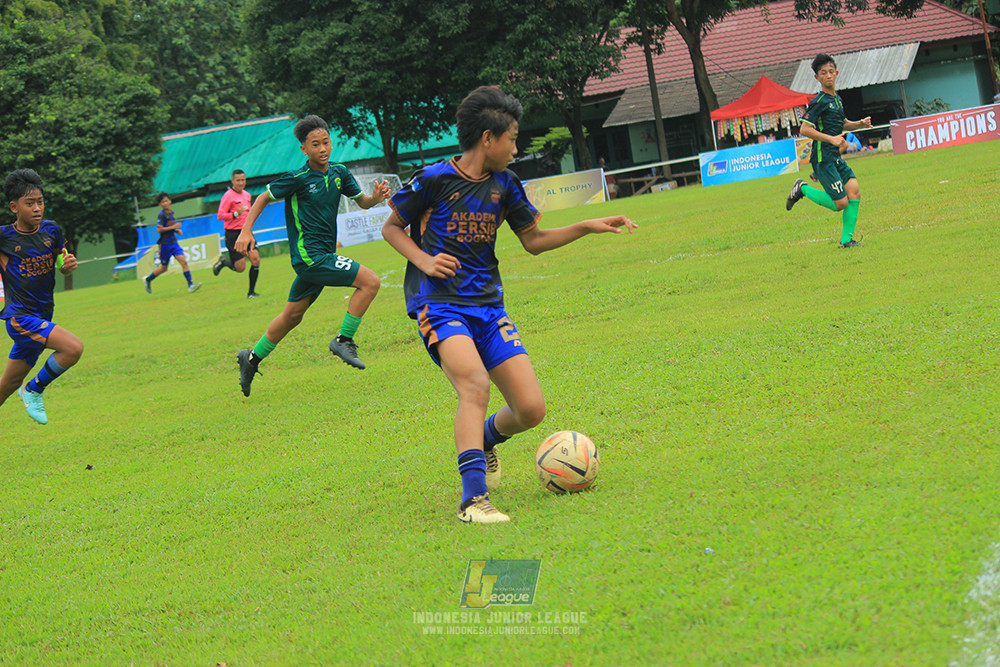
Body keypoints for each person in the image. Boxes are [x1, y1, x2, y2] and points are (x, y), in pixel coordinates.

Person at [382, 86, 637, 524]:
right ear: (487, 139)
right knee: (475, 386)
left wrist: (586, 226)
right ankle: (472, 500)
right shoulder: (434, 178)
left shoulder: (505, 184)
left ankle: (483, 442)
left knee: (531, 409)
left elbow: (533, 240)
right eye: (512, 139)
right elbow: (392, 227)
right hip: (439, 304)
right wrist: (424, 259)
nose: (516, 148)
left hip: (488, 307)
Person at [234, 115, 390, 396]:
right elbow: (261, 198)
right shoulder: (298, 178)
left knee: (292, 315)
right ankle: (343, 340)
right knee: (370, 282)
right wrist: (246, 231)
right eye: (315, 144)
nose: (323, 149)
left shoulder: (340, 173)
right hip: (310, 257)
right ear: (304, 149)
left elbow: (362, 202)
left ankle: (251, 358)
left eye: (326, 142)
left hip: (322, 256)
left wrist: (375, 198)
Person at [0, 169, 83, 425]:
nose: (37, 208)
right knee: (73, 348)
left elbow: (61, 255)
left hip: (43, 315)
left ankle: (22, 388)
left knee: (7, 385)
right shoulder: (3, 237)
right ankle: (33, 389)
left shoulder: (52, 230)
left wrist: (65, 263)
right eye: (30, 203)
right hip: (20, 319)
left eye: (40, 201)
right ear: (14, 207)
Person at [785, 53, 873, 248]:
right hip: (823, 157)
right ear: (817, 77)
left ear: (837, 73)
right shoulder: (819, 101)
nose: (828, 76)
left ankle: (846, 241)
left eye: (831, 72)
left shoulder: (838, 99)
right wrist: (831, 138)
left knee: (855, 193)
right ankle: (802, 188)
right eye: (823, 73)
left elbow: (842, 123)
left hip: (835, 157)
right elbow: (805, 129)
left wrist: (859, 123)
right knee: (840, 203)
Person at [212, 169, 262, 298]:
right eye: (238, 180)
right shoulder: (228, 196)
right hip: (233, 234)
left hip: (246, 232)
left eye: (243, 180)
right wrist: (235, 214)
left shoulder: (247, 195)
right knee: (240, 268)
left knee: (255, 259)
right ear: (233, 181)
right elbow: (220, 215)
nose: (241, 182)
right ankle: (224, 262)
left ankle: (251, 292)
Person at [143, 192, 202, 293]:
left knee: (184, 262)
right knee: (164, 268)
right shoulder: (161, 215)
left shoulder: (171, 212)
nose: (165, 203)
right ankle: (148, 279)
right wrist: (174, 227)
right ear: (160, 204)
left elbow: (169, 228)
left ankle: (190, 285)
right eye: (163, 202)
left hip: (174, 243)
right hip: (165, 244)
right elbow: (159, 229)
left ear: (170, 201)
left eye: (166, 201)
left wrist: (176, 231)